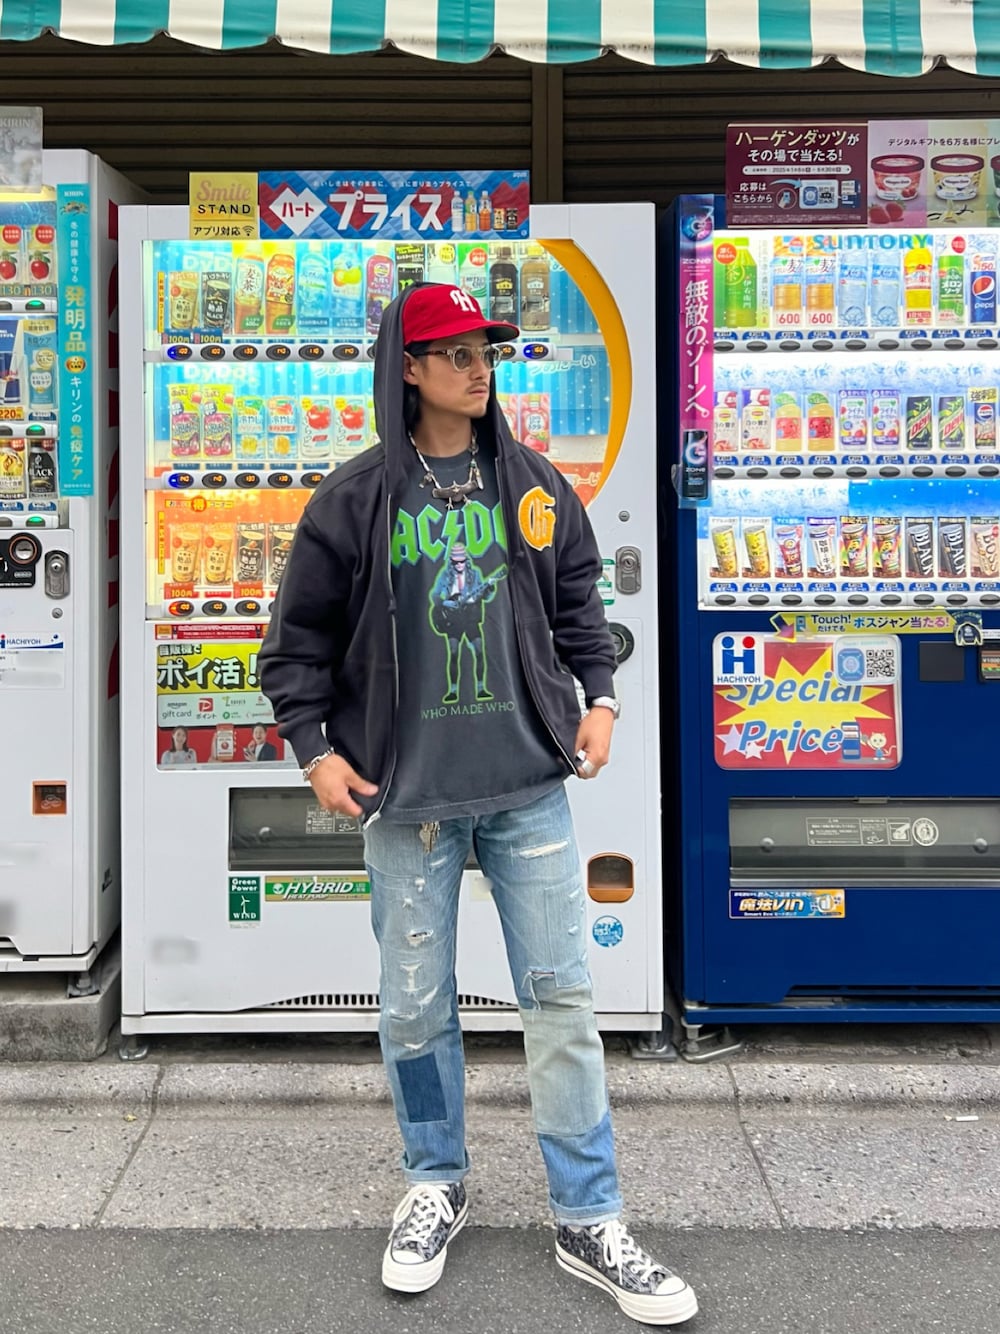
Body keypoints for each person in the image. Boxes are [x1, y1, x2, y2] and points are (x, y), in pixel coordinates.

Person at [259, 282, 697, 1327]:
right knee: (415, 1007)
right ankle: (435, 1180)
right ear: (407, 369)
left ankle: (589, 1215)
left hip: (528, 788)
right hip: (406, 794)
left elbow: (581, 601)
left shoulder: (532, 484)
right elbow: (294, 643)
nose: (477, 367)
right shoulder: (354, 499)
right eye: (453, 352)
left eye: (484, 350)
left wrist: (599, 701)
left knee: (562, 1002)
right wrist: (314, 750)